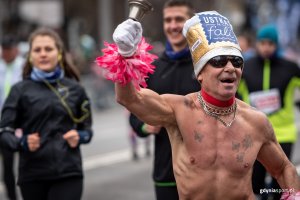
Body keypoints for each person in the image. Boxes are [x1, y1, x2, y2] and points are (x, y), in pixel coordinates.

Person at [104, 11, 300, 200]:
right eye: (219, 61)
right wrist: (125, 54)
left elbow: (283, 169)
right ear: (200, 73)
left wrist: (294, 195)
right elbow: (129, 98)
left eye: (237, 61)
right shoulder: (179, 110)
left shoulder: (256, 121)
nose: (230, 68)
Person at [0, 27, 93, 200]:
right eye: (37, 50)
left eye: (48, 49)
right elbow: (4, 132)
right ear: (30, 56)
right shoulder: (19, 91)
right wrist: (22, 142)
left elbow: (87, 130)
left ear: (59, 53)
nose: (43, 54)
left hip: (68, 172)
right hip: (32, 175)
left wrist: (80, 136)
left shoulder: (75, 89)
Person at [129, 1, 199, 199]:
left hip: (204, 172)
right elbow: (134, 114)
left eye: (179, 19)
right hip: (165, 175)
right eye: (168, 20)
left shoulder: (207, 66)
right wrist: (145, 125)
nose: (173, 25)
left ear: (191, 24)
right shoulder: (153, 68)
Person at [237, 24, 300, 200]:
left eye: (270, 43)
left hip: (283, 133)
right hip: (253, 133)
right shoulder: (246, 67)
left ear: (276, 45)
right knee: (255, 183)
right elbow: (234, 94)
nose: (266, 47)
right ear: (257, 44)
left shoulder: (290, 67)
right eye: (262, 43)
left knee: (280, 186)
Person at [0, 35, 25, 200]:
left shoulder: (24, 67)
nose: (6, 53)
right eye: (4, 50)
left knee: (25, 163)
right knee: (7, 166)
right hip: (3, 123)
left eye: (9, 50)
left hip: (21, 122)